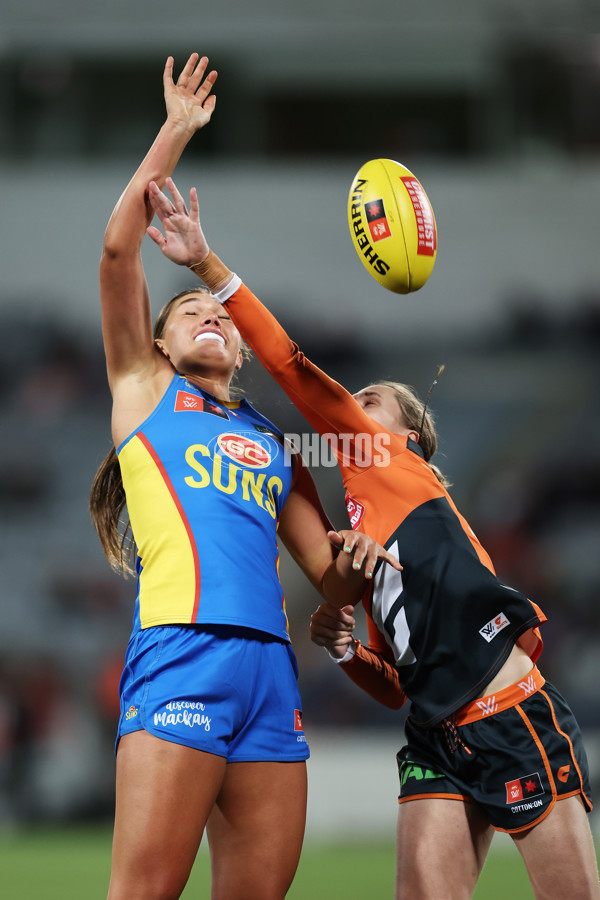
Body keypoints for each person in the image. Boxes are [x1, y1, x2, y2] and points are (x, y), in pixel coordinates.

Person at [144, 166, 600, 897]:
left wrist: (206, 264)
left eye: (372, 402)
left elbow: (291, 367)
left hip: (512, 713)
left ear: (410, 441)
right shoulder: (359, 525)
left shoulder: (391, 466)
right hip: (435, 733)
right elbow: (393, 687)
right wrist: (351, 649)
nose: (353, 408)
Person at [89, 53, 401, 900]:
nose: (213, 313)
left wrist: (361, 560)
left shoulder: (272, 441)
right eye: (192, 309)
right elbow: (121, 252)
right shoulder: (144, 392)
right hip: (181, 654)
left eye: (219, 311)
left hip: (269, 676)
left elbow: (327, 579)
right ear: (158, 344)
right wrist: (176, 133)